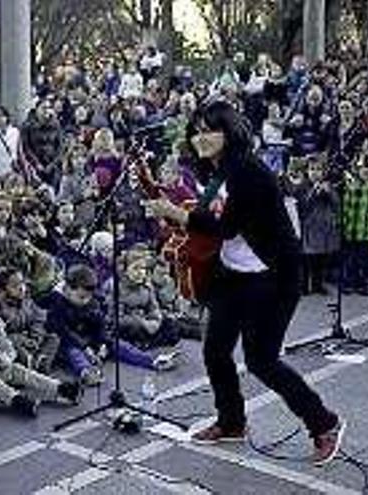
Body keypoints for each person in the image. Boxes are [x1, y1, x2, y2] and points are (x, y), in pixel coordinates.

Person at [145, 100, 345, 465]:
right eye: (197, 129)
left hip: (274, 275)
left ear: (230, 131)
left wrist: (174, 213)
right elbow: (205, 214)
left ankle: (324, 423)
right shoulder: (216, 169)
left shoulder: (247, 171)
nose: (201, 136)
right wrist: (168, 203)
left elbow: (225, 227)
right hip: (233, 273)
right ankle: (231, 422)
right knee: (215, 350)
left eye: (210, 129)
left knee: (262, 361)